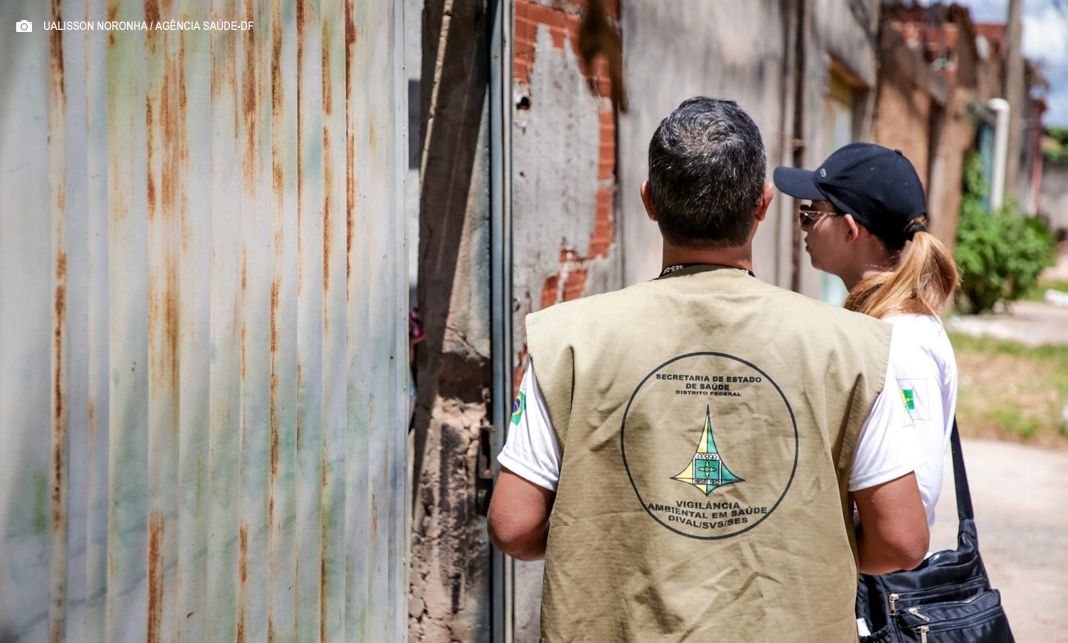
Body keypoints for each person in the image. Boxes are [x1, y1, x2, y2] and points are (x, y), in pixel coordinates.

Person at [487, 97, 929, 641]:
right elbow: (902, 541)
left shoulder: (569, 338)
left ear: (649, 201)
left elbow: (512, 526)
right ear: (763, 204)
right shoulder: (854, 348)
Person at [773, 143, 959, 528]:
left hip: (878, 582)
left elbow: (911, 512)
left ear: (850, 229)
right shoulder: (879, 324)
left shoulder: (900, 341)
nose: (803, 225)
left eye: (811, 213)